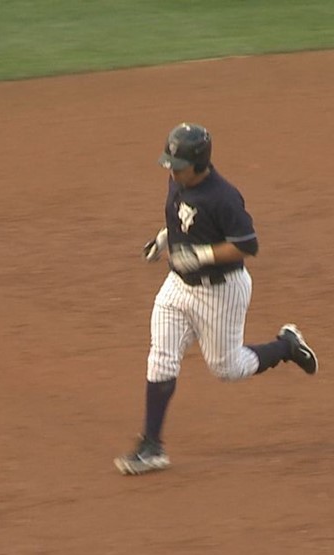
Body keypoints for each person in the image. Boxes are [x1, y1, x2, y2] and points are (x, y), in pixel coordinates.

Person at [114, 122, 319, 476]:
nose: (171, 172)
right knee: (161, 358)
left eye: (177, 166)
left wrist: (202, 256)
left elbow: (247, 245)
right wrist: (164, 239)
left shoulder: (224, 197)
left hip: (221, 291)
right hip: (178, 287)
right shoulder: (178, 181)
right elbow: (180, 217)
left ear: (198, 164)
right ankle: (151, 446)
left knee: (229, 369)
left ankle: (286, 346)